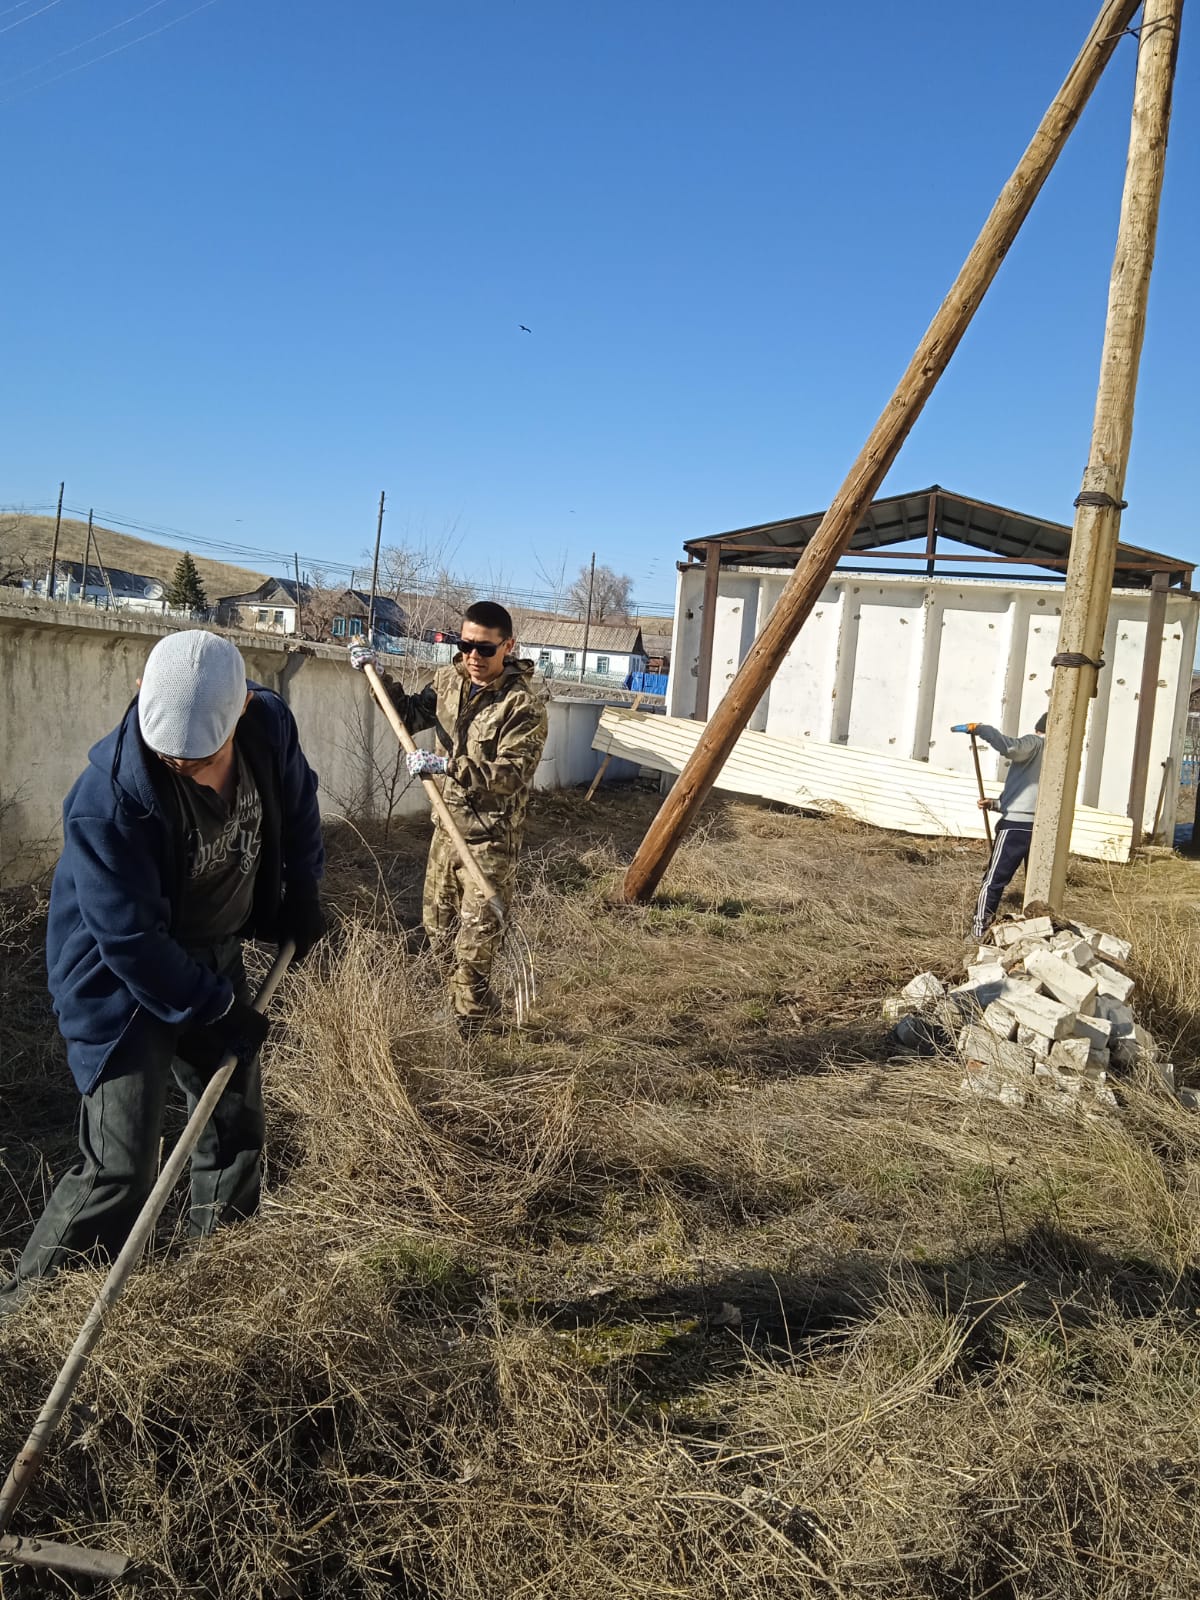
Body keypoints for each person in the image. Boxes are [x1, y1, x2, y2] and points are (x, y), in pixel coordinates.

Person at [1, 630, 325, 1308]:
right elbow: (130, 942)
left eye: (201, 760)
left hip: (212, 951)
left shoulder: (267, 727)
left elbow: (297, 812)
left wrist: (302, 895)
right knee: (121, 1165)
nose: (185, 770)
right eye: (170, 759)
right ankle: (33, 1316)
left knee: (235, 1128)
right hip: (119, 981)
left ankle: (219, 1281)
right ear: (140, 701)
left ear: (239, 713)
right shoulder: (106, 801)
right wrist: (216, 1009)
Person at [350, 601, 548, 1032]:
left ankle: (473, 1036)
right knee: (438, 936)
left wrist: (448, 767)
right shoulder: (448, 680)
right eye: (464, 645)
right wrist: (375, 674)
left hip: (490, 842)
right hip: (446, 831)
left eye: (484, 649)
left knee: (475, 949)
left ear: (508, 646)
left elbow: (512, 775)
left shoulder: (523, 707)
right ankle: (467, 1005)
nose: (473, 657)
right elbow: (405, 714)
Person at [953, 713, 1047, 939]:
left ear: (1038, 729)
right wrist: (997, 804)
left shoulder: (1036, 742)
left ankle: (979, 932)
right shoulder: (1060, 756)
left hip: (1016, 826)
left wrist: (981, 729)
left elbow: (1011, 748)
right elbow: (1032, 791)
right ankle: (1040, 930)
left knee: (993, 881)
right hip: (1043, 827)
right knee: (1038, 886)